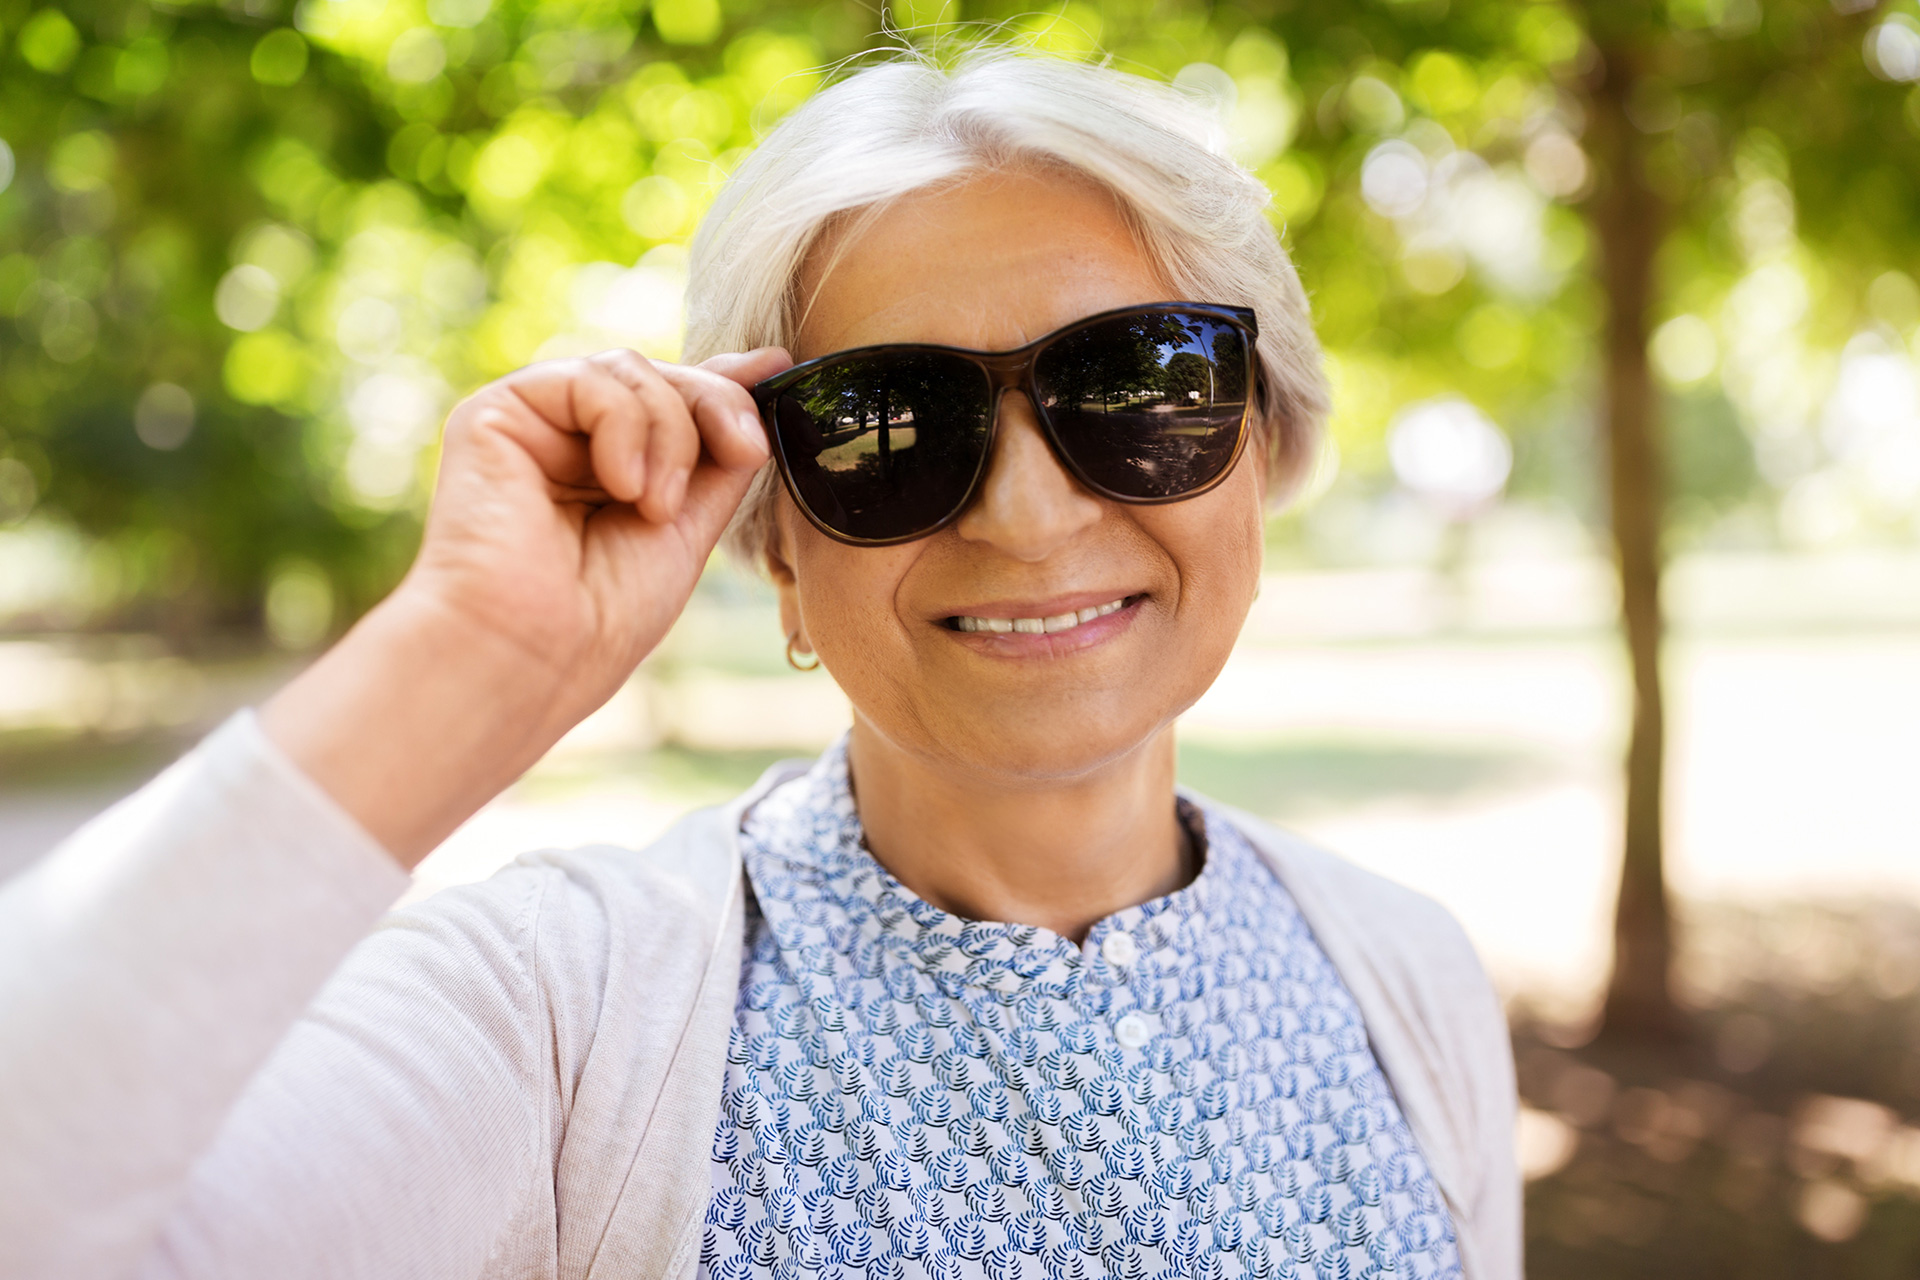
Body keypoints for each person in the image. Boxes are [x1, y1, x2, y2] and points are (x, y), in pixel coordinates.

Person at [0, 48, 1519, 1280]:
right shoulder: (559, 1016)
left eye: (1134, 384)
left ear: (1261, 448)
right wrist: (466, 655)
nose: (1033, 510)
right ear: (778, 542)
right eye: (889, 424)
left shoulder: (1408, 975)